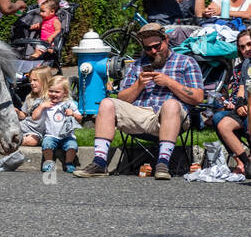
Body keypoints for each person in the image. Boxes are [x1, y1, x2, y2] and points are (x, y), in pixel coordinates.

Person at [74, 22, 204, 179]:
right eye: (148, 48)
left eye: (157, 46)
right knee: (107, 103)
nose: (153, 51)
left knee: (170, 105)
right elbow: (122, 98)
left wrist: (169, 82)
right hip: (139, 116)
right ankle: (100, 163)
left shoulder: (186, 62)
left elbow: (198, 97)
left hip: (170, 117)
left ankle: (163, 164)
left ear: (166, 40)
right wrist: (139, 85)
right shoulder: (137, 66)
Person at [209, 29, 250, 176]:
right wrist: (233, 103)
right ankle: (245, 163)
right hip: (244, 108)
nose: (246, 49)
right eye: (242, 47)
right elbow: (238, 90)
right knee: (219, 119)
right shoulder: (242, 67)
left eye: (249, 44)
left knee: (247, 121)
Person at [31, 75, 82, 174]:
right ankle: (49, 162)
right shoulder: (46, 104)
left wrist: (73, 114)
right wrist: (41, 107)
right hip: (51, 135)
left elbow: (80, 119)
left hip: (68, 136)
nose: (53, 94)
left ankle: (69, 163)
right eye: (51, 91)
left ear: (65, 93)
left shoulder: (70, 104)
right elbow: (34, 117)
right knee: (46, 145)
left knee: (72, 146)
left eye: (57, 92)